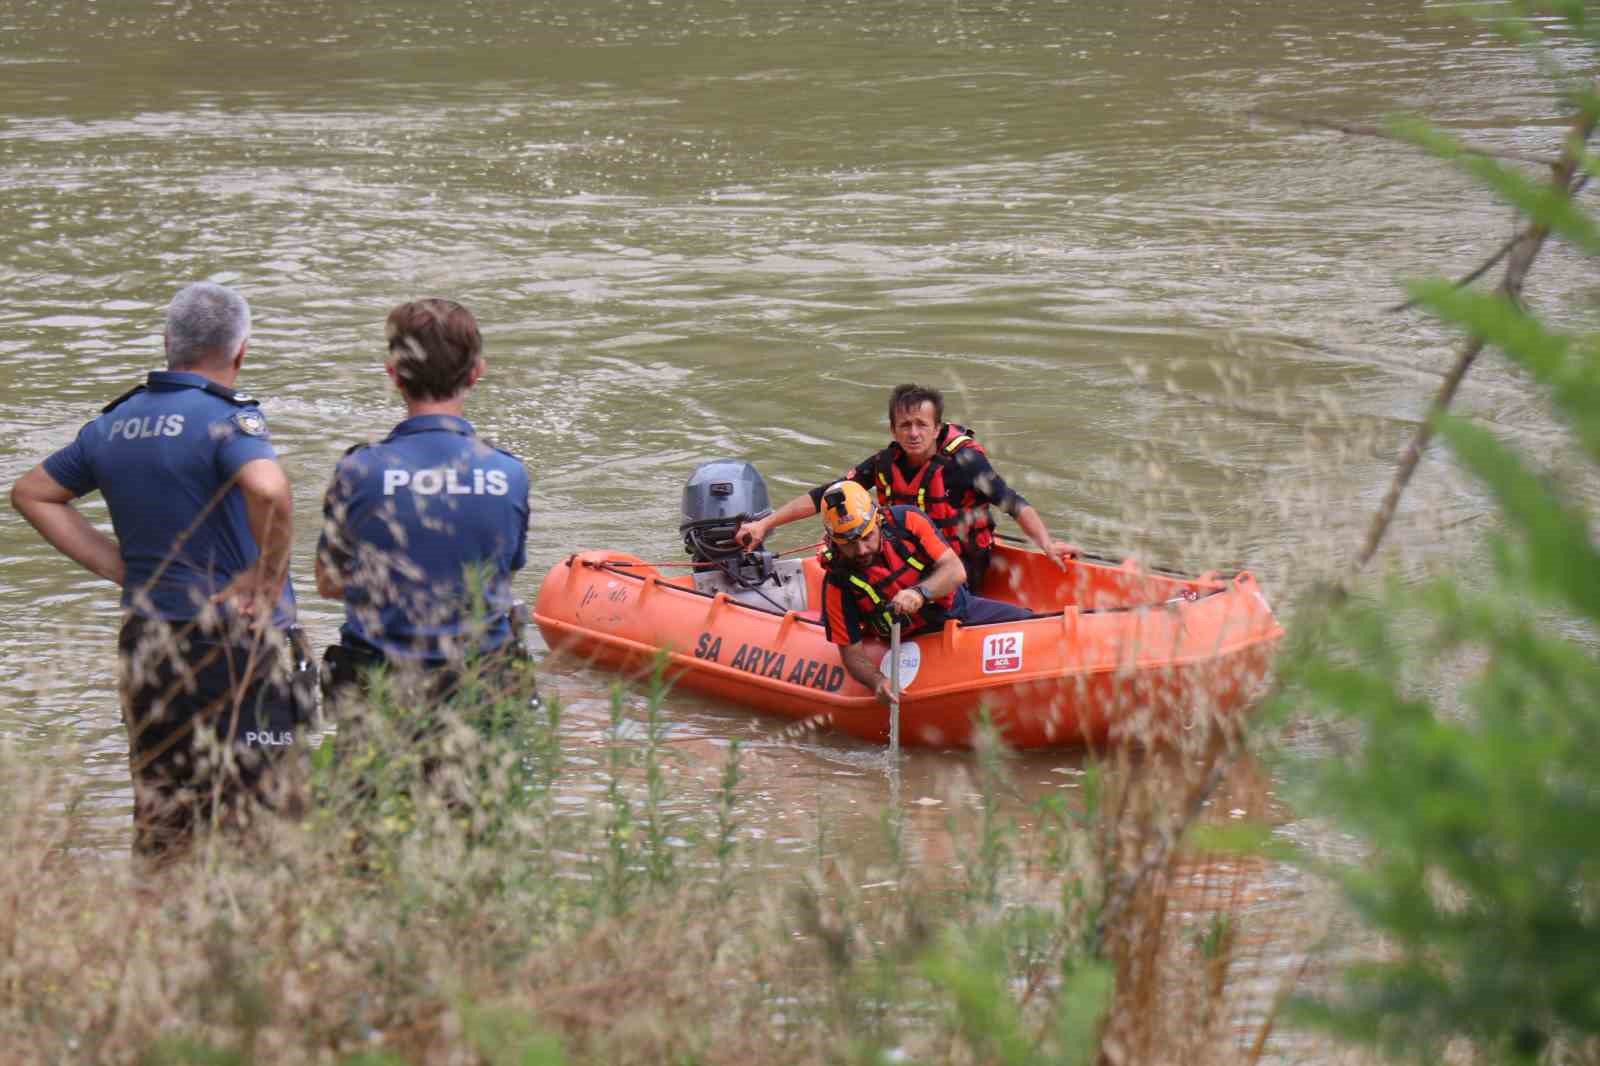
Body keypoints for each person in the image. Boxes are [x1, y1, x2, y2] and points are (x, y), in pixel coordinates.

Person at [9, 281, 310, 864]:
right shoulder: (229, 421)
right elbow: (269, 490)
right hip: (238, 642)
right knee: (268, 819)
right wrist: (266, 576)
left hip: (149, 640)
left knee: (161, 817)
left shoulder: (113, 425)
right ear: (241, 350)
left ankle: (152, 940)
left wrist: (121, 568)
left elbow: (33, 494)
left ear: (168, 341)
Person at [315, 298, 531, 707]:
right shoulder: (509, 475)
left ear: (393, 374)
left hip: (381, 690)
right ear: (476, 372)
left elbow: (328, 582)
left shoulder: (358, 471)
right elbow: (505, 571)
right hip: (481, 691)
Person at [737, 383, 1077, 594]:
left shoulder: (965, 466)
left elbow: (1014, 504)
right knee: (838, 561)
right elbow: (827, 496)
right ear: (893, 428)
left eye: (921, 425)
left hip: (958, 567)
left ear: (937, 427)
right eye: (905, 425)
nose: (913, 433)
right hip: (908, 560)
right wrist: (765, 524)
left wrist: (1045, 543)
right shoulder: (885, 463)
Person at [818, 481, 1033, 705]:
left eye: (866, 537)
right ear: (834, 541)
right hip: (906, 640)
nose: (861, 550)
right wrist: (878, 681)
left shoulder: (908, 522)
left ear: (877, 519)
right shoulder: (836, 581)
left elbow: (955, 570)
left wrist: (919, 594)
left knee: (1029, 623)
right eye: (849, 543)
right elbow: (851, 653)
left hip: (957, 610)